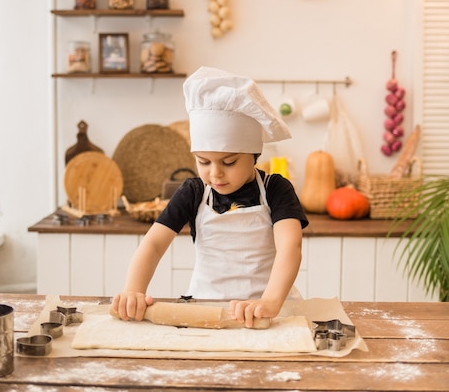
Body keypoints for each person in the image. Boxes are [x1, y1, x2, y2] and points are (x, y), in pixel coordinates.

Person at [111, 66, 309, 327]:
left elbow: (289, 247)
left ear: (253, 155)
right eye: (203, 161)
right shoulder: (193, 191)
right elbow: (154, 244)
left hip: (269, 313)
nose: (215, 174)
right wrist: (133, 290)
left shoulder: (276, 189)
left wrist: (270, 301)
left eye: (228, 162)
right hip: (205, 310)